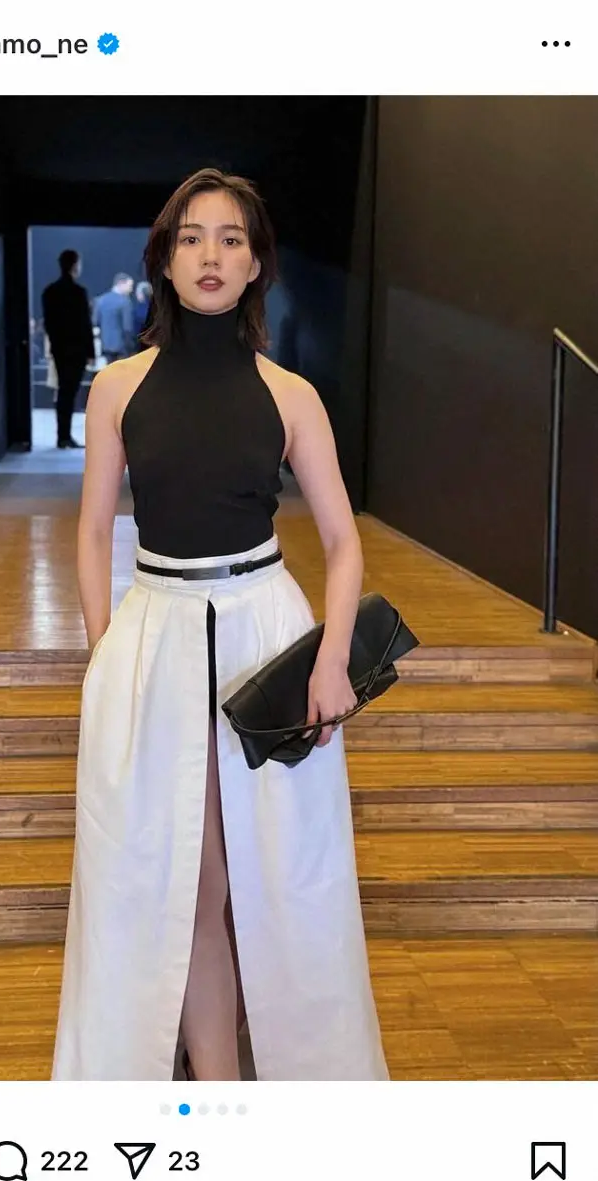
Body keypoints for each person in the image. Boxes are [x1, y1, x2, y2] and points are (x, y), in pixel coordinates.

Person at [52, 167, 388, 1083]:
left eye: (231, 238)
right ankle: (219, 1090)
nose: (211, 254)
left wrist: (331, 662)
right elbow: (91, 531)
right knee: (194, 882)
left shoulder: (291, 395)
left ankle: (290, 1070)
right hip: (156, 634)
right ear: (164, 260)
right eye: (192, 237)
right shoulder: (118, 387)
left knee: (277, 877)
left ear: (254, 265)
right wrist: (103, 651)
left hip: (264, 632)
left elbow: (342, 543)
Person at [41, 250, 95, 448]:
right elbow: (84, 324)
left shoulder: (49, 292)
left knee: (64, 390)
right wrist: (90, 352)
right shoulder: (78, 292)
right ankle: (65, 436)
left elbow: (49, 323)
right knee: (70, 392)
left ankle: (62, 435)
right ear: (75, 266)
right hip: (77, 349)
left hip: (59, 348)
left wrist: (55, 344)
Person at [93, 273, 135, 363]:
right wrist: (131, 346)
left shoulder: (100, 300)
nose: (131, 289)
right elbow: (127, 327)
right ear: (121, 283)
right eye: (130, 286)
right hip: (122, 349)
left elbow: (95, 322)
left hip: (104, 347)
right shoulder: (125, 302)